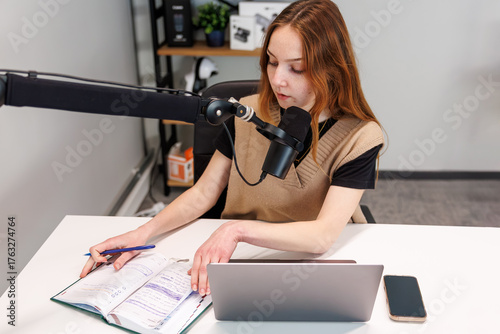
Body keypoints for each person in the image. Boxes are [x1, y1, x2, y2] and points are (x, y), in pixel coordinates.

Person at [80, 0, 384, 297]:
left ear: (331, 68)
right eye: (272, 62)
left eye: (297, 69)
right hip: (241, 256)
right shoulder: (246, 114)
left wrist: (235, 231)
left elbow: (322, 237)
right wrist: (141, 233)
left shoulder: (360, 137)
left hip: (313, 264)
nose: (277, 80)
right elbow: (204, 193)